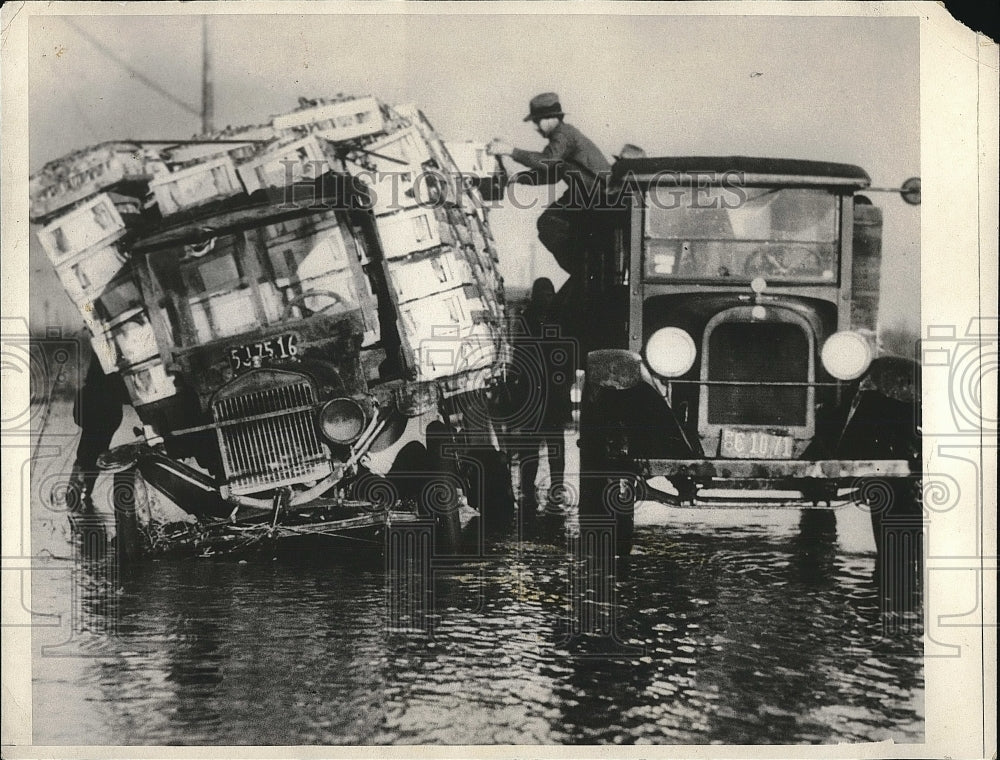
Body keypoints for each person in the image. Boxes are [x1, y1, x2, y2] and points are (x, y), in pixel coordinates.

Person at [487, 92, 612, 279]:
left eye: (538, 121)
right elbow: (551, 175)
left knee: (550, 224)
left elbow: (546, 161)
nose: (537, 128)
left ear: (550, 119)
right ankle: (586, 273)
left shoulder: (563, 134)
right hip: (588, 196)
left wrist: (509, 151)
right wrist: (516, 178)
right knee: (555, 226)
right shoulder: (565, 136)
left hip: (594, 197)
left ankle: (586, 275)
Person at [509, 277, 573, 520]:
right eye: (543, 294)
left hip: (553, 393)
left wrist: (564, 382)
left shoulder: (558, 320)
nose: (547, 298)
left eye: (550, 294)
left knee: (555, 444)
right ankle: (527, 490)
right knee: (529, 447)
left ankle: (556, 488)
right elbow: (519, 354)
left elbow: (566, 354)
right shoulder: (527, 320)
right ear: (536, 296)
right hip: (532, 392)